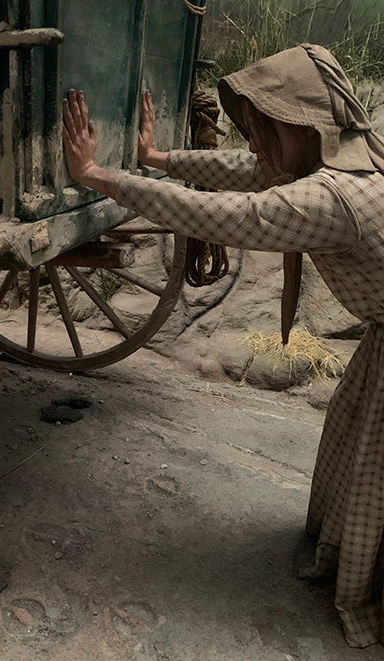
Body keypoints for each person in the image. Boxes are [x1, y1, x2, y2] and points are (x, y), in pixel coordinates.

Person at [62, 43, 384, 648]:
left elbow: (232, 216)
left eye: (267, 130)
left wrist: (99, 176)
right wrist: (157, 157)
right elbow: (242, 170)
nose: (258, 145)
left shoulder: (333, 198)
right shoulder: (346, 157)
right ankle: (353, 559)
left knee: (374, 467)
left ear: (305, 124)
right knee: (358, 449)